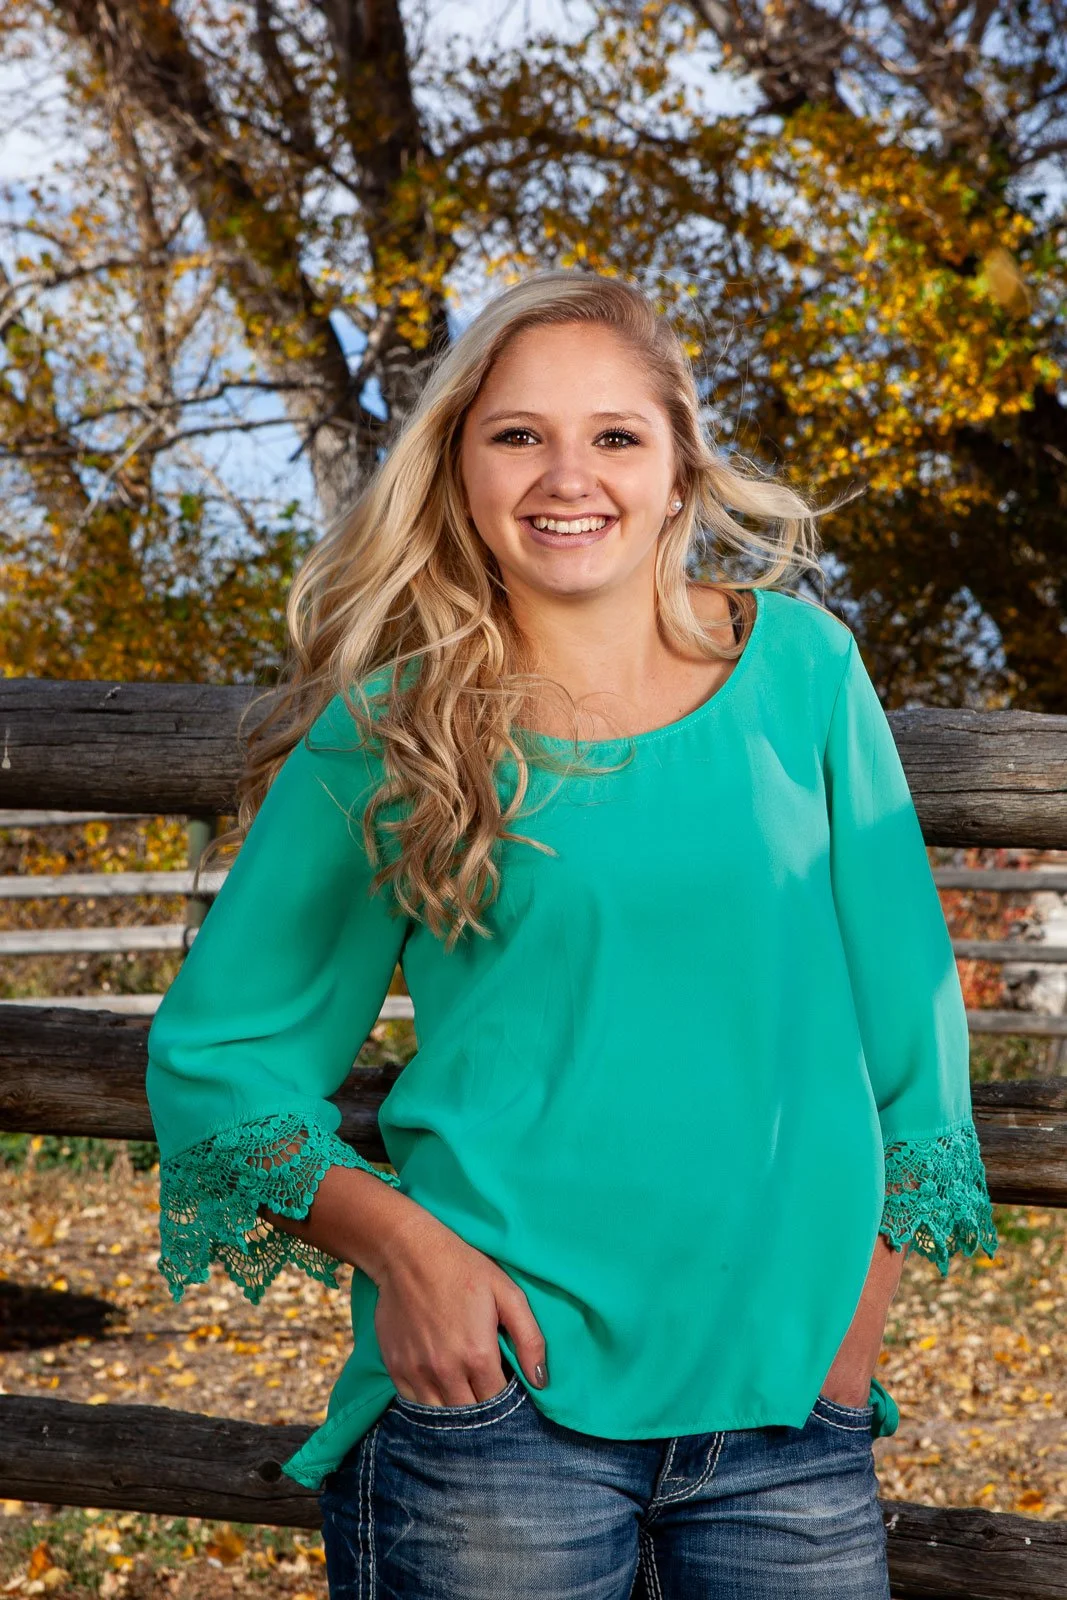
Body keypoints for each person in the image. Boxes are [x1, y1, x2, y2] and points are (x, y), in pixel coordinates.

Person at [144, 269, 999, 1599]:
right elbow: (220, 1060)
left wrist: (851, 1326)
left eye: (613, 435)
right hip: (499, 1413)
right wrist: (411, 1257)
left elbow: (911, 1024)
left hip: (789, 1410)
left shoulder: (807, 674)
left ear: (676, 473)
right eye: (517, 434)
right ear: (461, 469)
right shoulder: (397, 729)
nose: (566, 475)